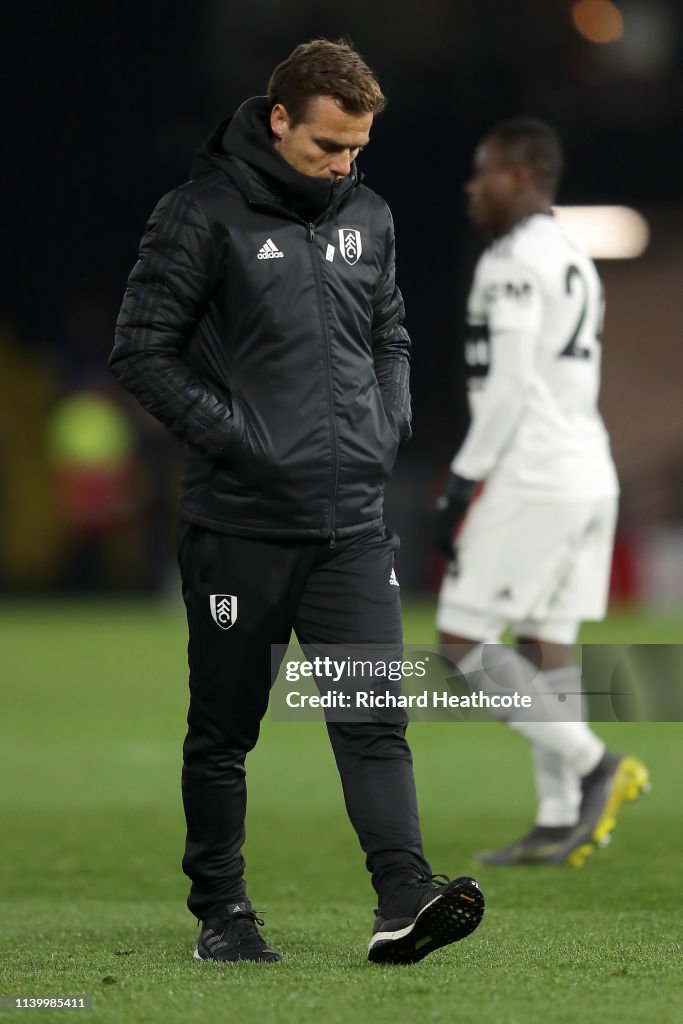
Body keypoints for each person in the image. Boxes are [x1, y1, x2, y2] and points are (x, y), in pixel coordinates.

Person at [111, 39, 484, 963]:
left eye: (357, 148)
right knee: (225, 731)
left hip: (351, 527)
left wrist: (385, 419)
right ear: (279, 120)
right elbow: (141, 351)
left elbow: (390, 331)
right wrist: (245, 440)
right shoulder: (200, 214)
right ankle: (223, 914)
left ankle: (403, 898)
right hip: (239, 527)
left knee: (373, 721)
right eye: (327, 146)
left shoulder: (369, 213)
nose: (343, 165)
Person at [433, 118, 649, 866]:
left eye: (483, 172)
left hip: (534, 473)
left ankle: (596, 767)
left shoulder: (512, 260)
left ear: (519, 177)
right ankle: (560, 817)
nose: (472, 186)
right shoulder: (571, 256)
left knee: (461, 643)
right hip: (589, 470)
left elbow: (512, 384)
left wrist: (462, 478)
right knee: (546, 646)